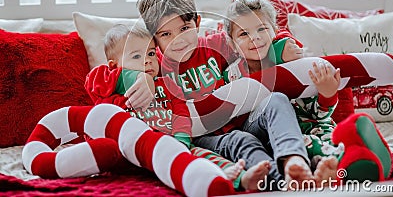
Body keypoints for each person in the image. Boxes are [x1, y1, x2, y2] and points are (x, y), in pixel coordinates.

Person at [133, 0, 315, 190]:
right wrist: (143, 78)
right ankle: (280, 182)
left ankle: (294, 160)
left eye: (184, 28)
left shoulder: (216, 45)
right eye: (166, 34)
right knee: (241, 139)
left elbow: (253, 34)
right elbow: (119, 75)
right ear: (153, 39)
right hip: (205, 139)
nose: (179, 40)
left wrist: (283, 41)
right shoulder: (155, 67)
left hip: (245, 121)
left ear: (197, 23)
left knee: (276, 100)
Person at [85, 23, 271, 191]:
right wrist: (138, 78)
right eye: (136, 56)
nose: (148, 60)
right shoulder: (106, 83)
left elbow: (181, 116)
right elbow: (93, 81)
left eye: (151, 53)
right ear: (114, 65)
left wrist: (182, 142)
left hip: (166, 147)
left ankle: (239, 178)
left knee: (201, 155)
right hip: (125, 151)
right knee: (102, 152)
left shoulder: (168, 84)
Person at [223, 0, 344, 180]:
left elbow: (317, 113)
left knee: (335, 140)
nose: (255, 37)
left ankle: (331, 168)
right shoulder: (232, 75)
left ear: (275, 30)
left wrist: (327, 93)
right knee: (301, 142)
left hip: (311, 127)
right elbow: (235, 118)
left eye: (262, 28)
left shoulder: (294, 61)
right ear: (232, 44)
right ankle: (314, 166)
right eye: (244, 34)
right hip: (266, 132)